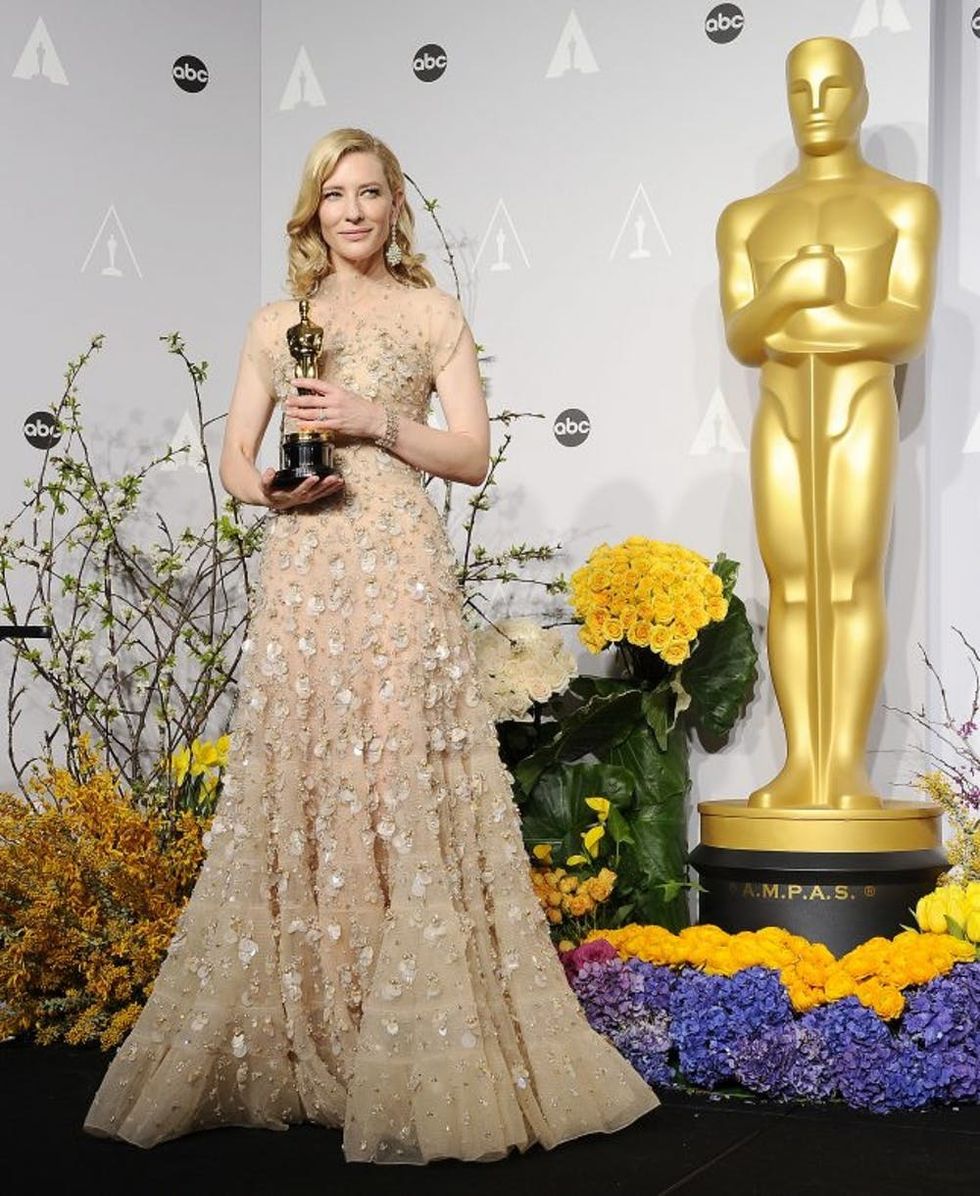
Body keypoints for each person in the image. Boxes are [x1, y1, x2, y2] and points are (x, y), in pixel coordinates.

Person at [84, 128, 657, 1162]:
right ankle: (315, 1037)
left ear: (397, 205)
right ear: (313, 210)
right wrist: (273, 486)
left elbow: (473, 455)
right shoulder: (276, 322)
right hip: (305, 569)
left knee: (396, 778)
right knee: (307, 779)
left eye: (371, 191)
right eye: (334, 193)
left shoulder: (431, 313)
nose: (352, 209)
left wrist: (374, 420)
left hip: (397, 566)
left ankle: (407, 1047)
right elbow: (234, 458)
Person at [716, 37, 938, 810]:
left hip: (857, 404)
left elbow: (905, 327)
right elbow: (746, 338)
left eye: (833, 88)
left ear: (863, 96)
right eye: (800, 90)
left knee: (848, 580)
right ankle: (799, 764)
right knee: (792, 587)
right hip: (783, 408)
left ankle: (843, 767)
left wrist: (814, 318)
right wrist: (794, 293)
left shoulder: (903, 202)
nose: (816, 105)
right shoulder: (749, 216)